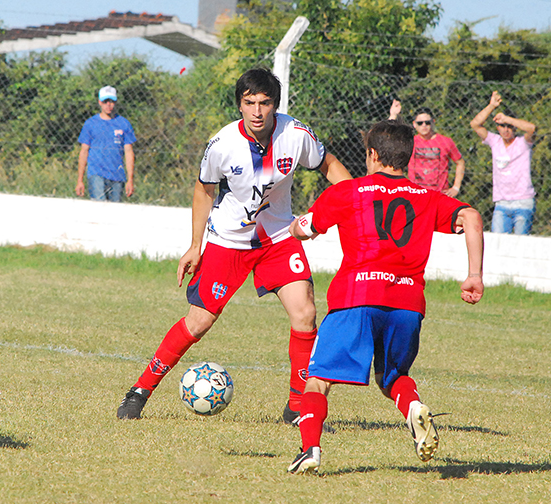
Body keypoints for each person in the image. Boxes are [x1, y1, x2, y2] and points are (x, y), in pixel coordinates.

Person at [116, 68, 352, 421]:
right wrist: (195, 245)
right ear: (239, 105)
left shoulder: (296, 134)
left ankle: (298, 408)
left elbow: (328, 165)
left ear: (276, 105)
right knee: (198, 323)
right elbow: (203, 190)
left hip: (278, 238)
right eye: (249, 103)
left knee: (305, 313)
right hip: (227, 241)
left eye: (265, 103)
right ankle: (140, 390)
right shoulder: (222, 144)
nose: (257, 111)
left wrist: (356, 197)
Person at [285, 120, 484, 474]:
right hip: (407, 304)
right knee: (393, 377)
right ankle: (412, 408)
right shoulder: (427, 197)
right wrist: (474, 274)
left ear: (372, 154)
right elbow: (470, 216)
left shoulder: (349, 191)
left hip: (356, 296)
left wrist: (296, 226)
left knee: (318, 377)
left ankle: (310, 449)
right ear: (407, 157)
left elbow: (305, 228)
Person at [470, 91, 537, 235]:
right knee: (498, 243)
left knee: (520, 244)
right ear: (497, 127)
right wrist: (492, 106)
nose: (506, 130)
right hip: (501, 203)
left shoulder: (523, 143)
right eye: (502, 126)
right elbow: (475, 124)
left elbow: (531, 128)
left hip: (523, 201)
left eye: (509, 126)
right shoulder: (495, 141)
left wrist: (507, 118)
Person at [389, 101, 465, 197]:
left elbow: (460, 162)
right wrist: (393, 115)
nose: (424, 125)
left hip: (439, 196)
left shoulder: (445, 141)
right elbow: (389, 140)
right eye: (420, 123)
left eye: (427, 122)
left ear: (433, 122)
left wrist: (456, 187)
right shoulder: (410, 142)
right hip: (415, 195)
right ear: (414, 124)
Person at [76, 86, 136, 202]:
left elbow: (129, 152)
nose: (108, 105)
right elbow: (84, 151)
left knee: (114, 211)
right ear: (99, 102)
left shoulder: (123, 124)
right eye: (105, 102)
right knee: (99, 206)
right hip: (97, 173)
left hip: (117, 176)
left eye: (111, 101)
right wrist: (80, 180)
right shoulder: (90, 124)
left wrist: (130, 180)